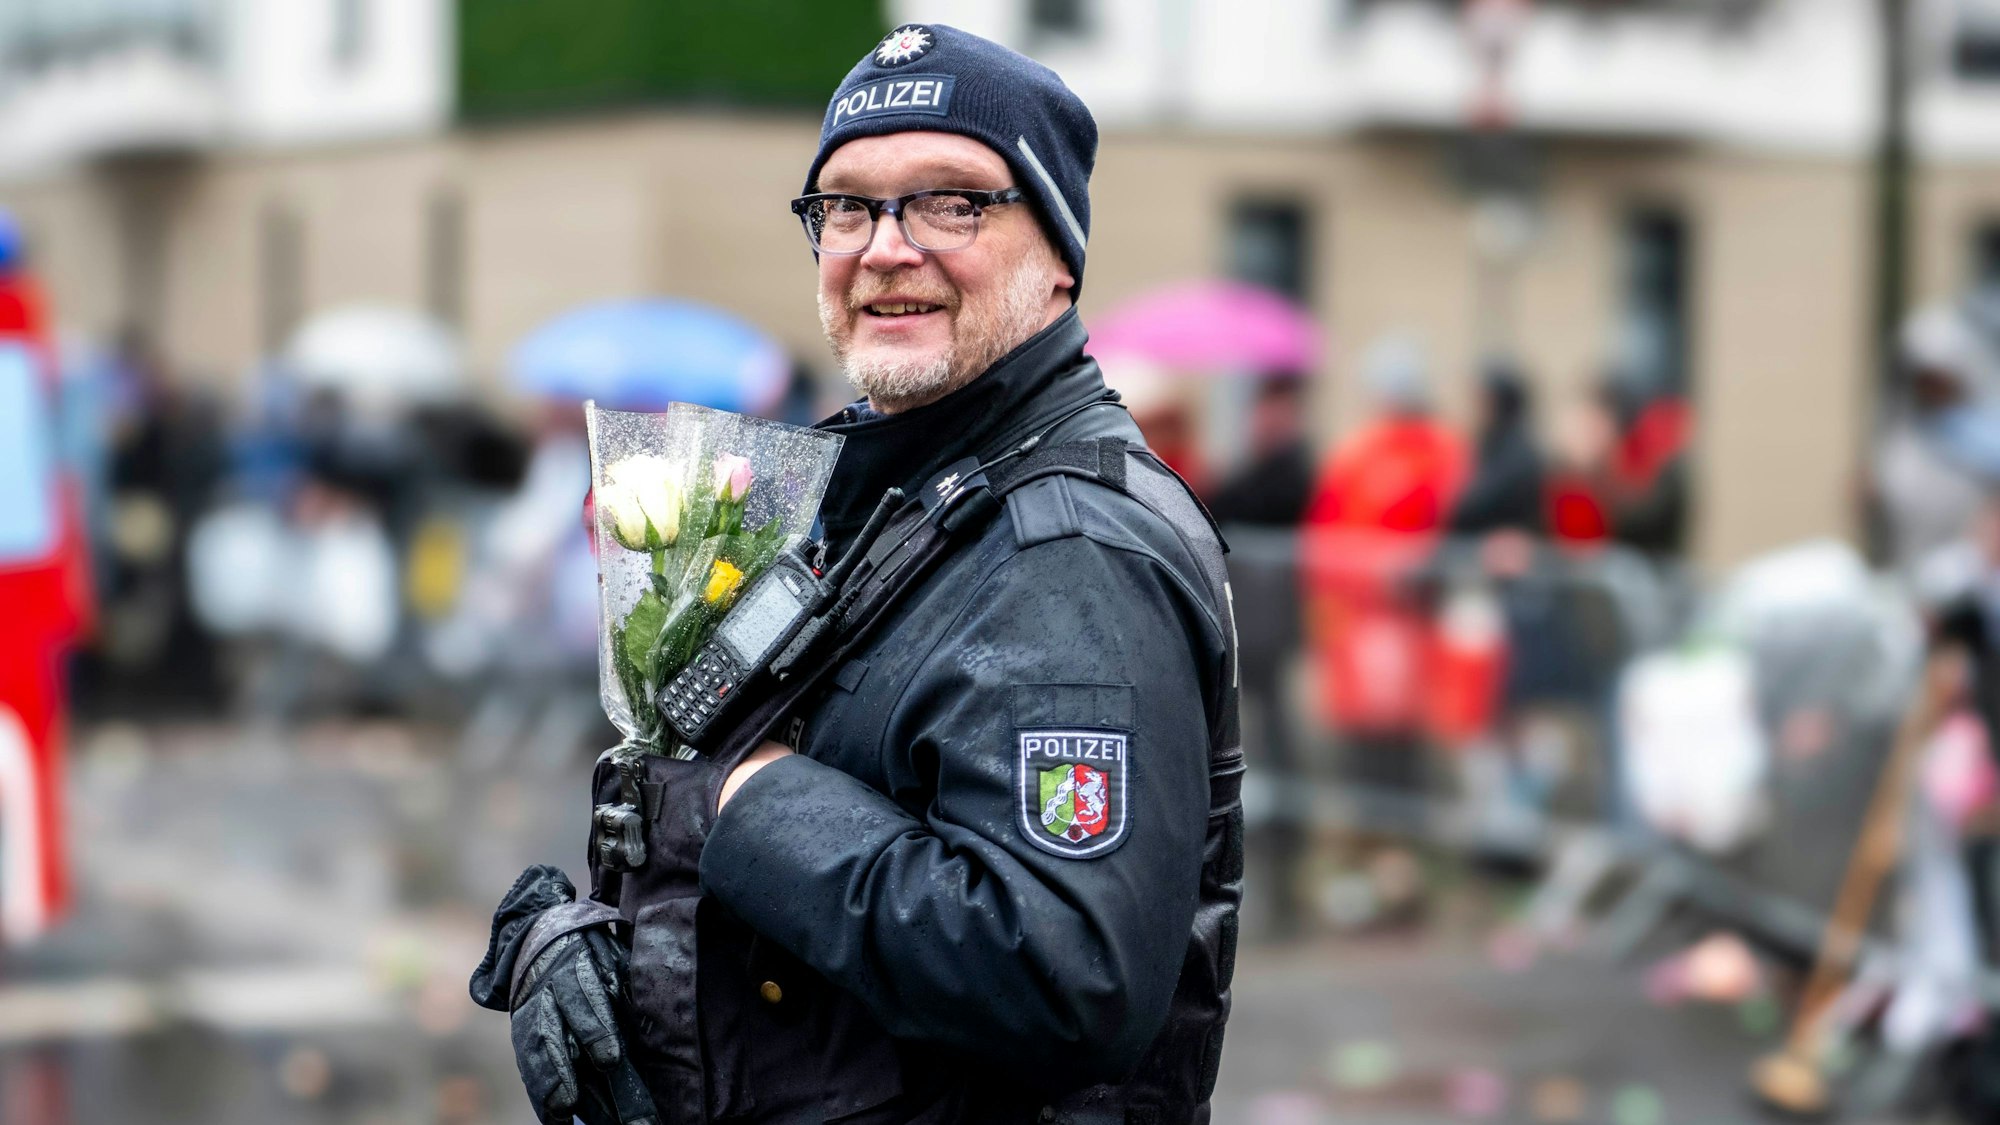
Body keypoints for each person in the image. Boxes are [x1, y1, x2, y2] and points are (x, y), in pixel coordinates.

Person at [471, 24, 1242, 1125]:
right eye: (846, 206)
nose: (884, 247)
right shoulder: (875, 487)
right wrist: (585, 941)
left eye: (949, 202)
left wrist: (750, 800)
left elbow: (1065, 974)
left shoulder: (1069, 549)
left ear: (1057, 254)